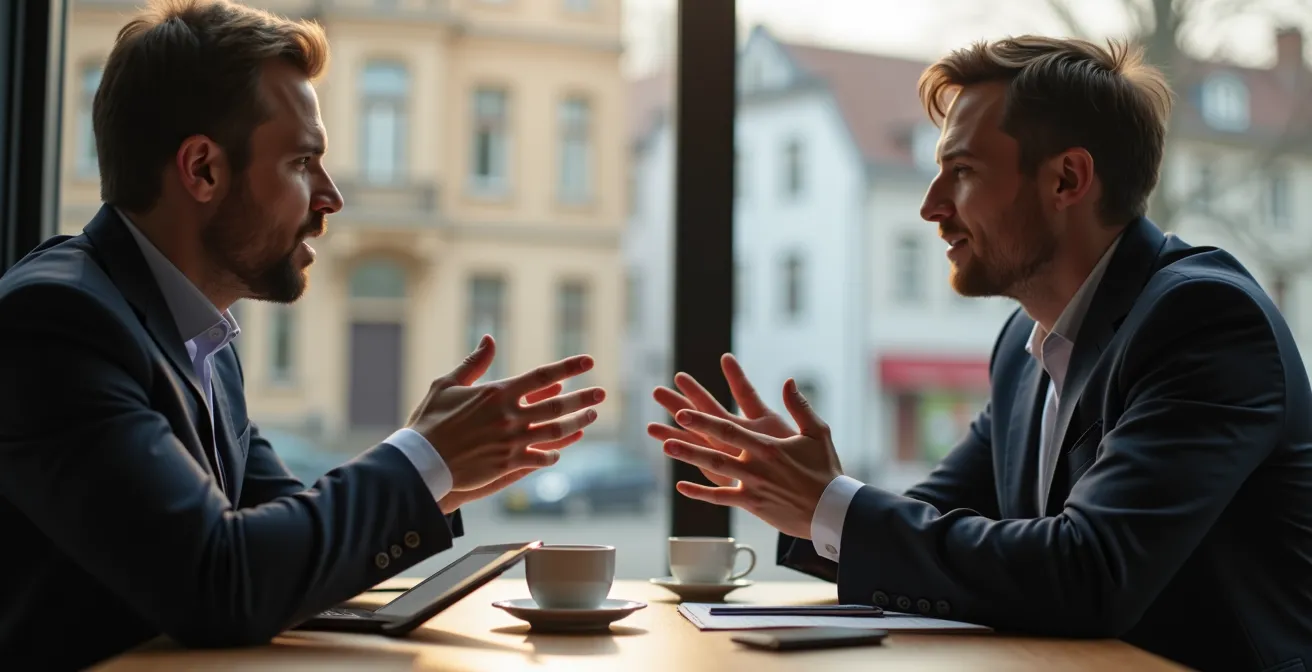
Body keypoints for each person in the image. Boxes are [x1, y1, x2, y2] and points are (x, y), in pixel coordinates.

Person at [652, 35, 1312, 671]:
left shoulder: (1202, 320)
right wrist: (806, 495)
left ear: (1067, 179)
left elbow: (1091, 572)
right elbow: (941, 528)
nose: (930, 207)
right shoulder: (1022, 352)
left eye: (961, 172)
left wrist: (833, 505)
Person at [0, 0, 605, 667]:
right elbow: (220, 581)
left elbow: (285, 544)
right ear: (202, 169)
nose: (331, 197)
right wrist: (421, 459)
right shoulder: (56, 323)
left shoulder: (198, 334)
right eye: (301, 163)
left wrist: (444, 473)